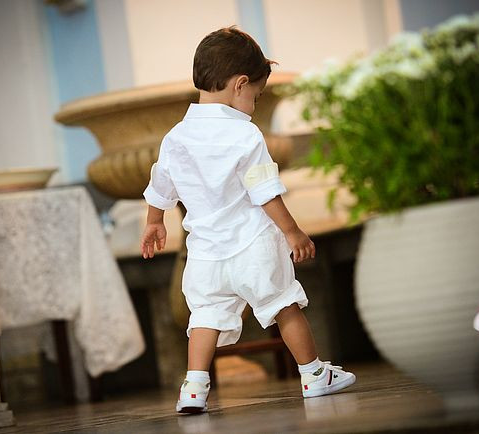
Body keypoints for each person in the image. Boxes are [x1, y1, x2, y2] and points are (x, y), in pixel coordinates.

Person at [141, 26, 356, 414]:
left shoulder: (176, 136)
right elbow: (264, 191)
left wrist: (155, 221)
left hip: (205, 254)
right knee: (284, 304)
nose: (254, 105)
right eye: (256, 96)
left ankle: (193, 389)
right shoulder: (245, 134)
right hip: (252, 244)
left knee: (205, 315)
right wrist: (292, 231)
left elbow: (161, 182)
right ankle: (313, 374)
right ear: (240, 84)